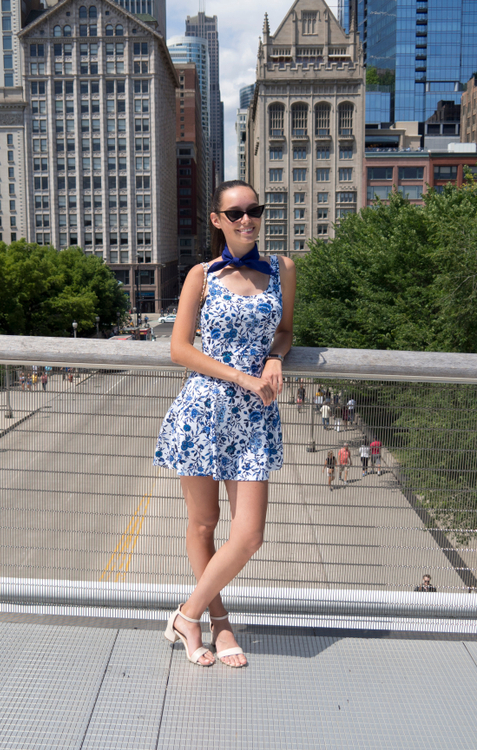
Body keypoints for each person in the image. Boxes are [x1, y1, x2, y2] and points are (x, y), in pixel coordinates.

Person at [154, 180, 295, 668]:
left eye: (253, 210)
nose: (245, 219)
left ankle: (186, 614)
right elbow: (179, 349)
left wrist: (276, 357)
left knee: (249, 535)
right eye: (234, 213)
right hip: (205, 408)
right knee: (203, 522)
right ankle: (217, 622)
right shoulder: (200, 274)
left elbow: (285, 331)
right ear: (216, 220)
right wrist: (240, 375)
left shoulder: (282, 269)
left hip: (255, 415)